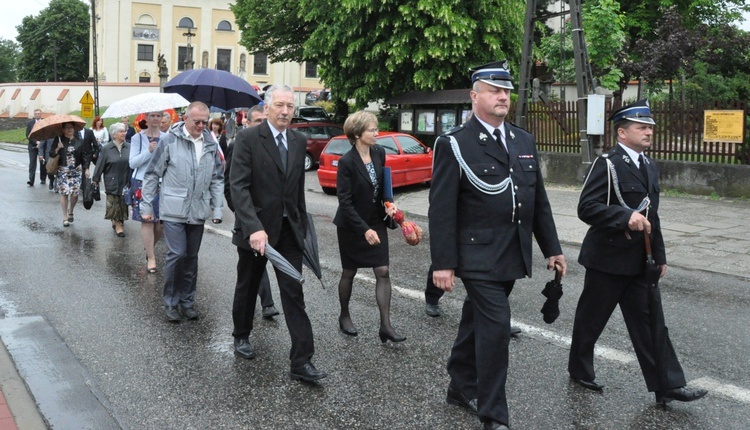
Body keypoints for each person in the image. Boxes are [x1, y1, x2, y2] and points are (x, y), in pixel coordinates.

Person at [429, 61, 566, 430]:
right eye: (494, 90)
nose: (503, 96)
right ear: (475, 96)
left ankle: (459, 384)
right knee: (496, 327)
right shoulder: (455, 143)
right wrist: (443, 263)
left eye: (506, 90)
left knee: (476, 319)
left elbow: (537, 201)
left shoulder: (522, 139)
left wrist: (552, 247)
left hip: (511, 251)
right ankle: (493, 414)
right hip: (475, 253)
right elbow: (441, 209)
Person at [568, 100, 708, 404]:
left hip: (640, 262)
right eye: (641, 127)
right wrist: (623, 217)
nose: (648, 132)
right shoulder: (607, 164)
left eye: (650, 127)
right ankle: (579, 370)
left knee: (652, 324)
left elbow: (652, 216)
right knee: (591, 319)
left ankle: (667, 384)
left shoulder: (649, 165)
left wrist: (660, 256)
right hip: (606, 259)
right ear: (622, 132)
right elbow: (587, 208)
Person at [229, 84, 326, 382]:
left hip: (287, 232)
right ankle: (241, 335)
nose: (285, 111)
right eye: (280, 105)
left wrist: (302, 226)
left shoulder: (298, 140)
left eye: (290, 106)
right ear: (268, 107)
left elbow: (296, 190)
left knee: (293, 292)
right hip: (256, 232)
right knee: (248, 285)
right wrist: (253, 228)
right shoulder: (247, 139)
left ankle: (301, 361)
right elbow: (238, 187)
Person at [140, 101, 224, 322]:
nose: (201, 125)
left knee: (191, 257)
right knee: (177, 254)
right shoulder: (169, 140)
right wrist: (147, 206)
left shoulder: (210, 143)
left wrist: (217, 207)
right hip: (173, 208)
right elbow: (151, 174)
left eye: (204, 122)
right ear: (184, 119)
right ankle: (171, 302)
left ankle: (187, 301)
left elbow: (217, 178)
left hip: (197, 209)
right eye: (196, 121)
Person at [333, 110, 404, 343]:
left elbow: (384, 185)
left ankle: (385, 325)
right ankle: (344, 315)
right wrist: (363, 229)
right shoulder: (346, 162)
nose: (377, 133)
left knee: (382, 270)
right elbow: (344, 202)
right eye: (372, 130)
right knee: (349, 272)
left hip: (375, 220)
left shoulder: (379, 152)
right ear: (356, 133)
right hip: (352, 225)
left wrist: (389, 203)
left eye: (376, 129)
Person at [224, 106, 279, 320]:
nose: (262, 124)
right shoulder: (239, 143)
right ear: (246, 123)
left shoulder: (276, 144)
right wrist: (240, 212)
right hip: (248, 219)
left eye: (264, 120)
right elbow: (231, 184)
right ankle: (265, 306)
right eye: (257, 121)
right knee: (249, 271)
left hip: (272, 218)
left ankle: (268, 303)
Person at [130, 111, 166, 273]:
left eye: (159, 116)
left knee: (160, 225)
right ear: (146, 118)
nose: (156, 119)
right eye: (152, 116)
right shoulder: (137, 138)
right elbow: (132, 163)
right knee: (147, 220)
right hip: (142, 182)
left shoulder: (167, 137)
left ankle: (149, 247)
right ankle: (151, 258)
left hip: (162, 182)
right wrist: (149, 151)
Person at [91, 123, 131, 237]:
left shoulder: (129, 147)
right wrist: (95, 179)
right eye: (121, 132)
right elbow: (100, 165)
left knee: (123, 201)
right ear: (114, 135)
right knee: (114, 202)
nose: (123, 133)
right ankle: (118, 224)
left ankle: (118, 220)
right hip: (111, 179)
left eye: (124, 131)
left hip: (125, 178)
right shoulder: (106, 149)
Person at [48, 122, 89, 227]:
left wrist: (86, 168)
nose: (69, 129)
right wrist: (58, 148)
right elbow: (51, 153)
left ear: (74, 129)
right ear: (63, 129)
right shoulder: (59, 140)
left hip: (76, 170)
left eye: (71, 127)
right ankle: (65, 217)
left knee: (75, 194)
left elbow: (85, 156)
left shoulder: (79, 141)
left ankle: (71, 211)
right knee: (64, 193)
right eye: (67, 128)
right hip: (63, 170)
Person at [25, 109, 46, 186]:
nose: (37, 115)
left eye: (39, 113)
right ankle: (31, 180)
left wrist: (41, 143)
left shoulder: (45, 122)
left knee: (42, 162)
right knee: (32, 163)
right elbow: (28, 135)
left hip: (43, 145)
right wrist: (36, 142)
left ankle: (43, 179)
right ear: (34, 114)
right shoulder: (30, 123)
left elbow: (47, 134)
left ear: (41, 114)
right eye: (36, 114)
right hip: (32, 146)